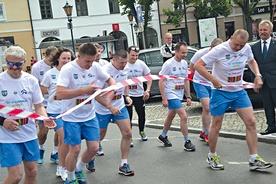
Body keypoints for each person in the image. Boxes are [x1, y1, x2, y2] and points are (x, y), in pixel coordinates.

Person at [194, 29, 273, 171]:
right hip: (221, 92)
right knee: (216, 126)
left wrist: (258, 74)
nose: (238, 48)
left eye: (241, 46)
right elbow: (198, 65)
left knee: (251, 122)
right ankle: (212, 155)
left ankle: (254, 158)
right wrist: (213, 79)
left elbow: (251, 60)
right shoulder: (220, 49)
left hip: (238, 91)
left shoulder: (246, 48)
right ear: (231, 38)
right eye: (236, 45)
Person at [56, 43, 116, 184]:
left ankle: (79, 169)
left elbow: (109, 79)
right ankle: (70, 179)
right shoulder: (68, 69)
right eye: (87, 61)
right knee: (75, 149)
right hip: (71, 117)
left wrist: (112, 88)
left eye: (93, 60)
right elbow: (60, 94)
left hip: (89, 115)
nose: (90, 64)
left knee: (94, 148)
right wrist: (83, 90)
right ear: (78, 56)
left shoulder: (95, 66)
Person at [0, 46, 56, 184]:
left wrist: (44, 118)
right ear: (5, 62)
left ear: (24, 62)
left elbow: (39, 105)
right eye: (10, 63)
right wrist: (3, 121)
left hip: (28, 132)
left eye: (18, 64)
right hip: (7, 135)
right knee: (16, 176)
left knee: (32, 172)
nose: (14, 67)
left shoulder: (30, 80)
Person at [89, 49, 134, 176]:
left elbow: (124, 83)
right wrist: (109, 107)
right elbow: (95, 94)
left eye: (125, 62)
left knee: (127, 132)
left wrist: (126, 96)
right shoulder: (104, 72)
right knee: (99, 137)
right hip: (102, 108)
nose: (123, 65)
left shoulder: (126, 68)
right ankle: (90, 157)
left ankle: (124, 164)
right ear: (113, 60)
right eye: (121, 63)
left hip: (119, 105)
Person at [41, 47, 74, 181]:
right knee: (65, 137)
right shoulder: (50, 74)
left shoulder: (72, 73)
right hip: (55, 112)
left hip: (69, 111)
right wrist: (41, 109)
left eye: (69, 58)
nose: (66, 61)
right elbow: (41, 92)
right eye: (64, 58)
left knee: (63, 141)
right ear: (58, 59)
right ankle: (63, 167)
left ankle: (61, 167)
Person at [157, 42, 196, 152]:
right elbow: (161, 80)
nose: (185, 55)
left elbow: (186, 80)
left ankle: (163, 135)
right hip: (171, 93)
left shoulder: (184, 63)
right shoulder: (169, 64)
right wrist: (164, 98)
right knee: (183, 116)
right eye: (183, 52)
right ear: (176, 51)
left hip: (179, 93)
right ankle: (187, 141)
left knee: (171, 115)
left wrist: (188, 96)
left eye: (186, 53)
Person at [189, 38, 223, 144]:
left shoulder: (221, 55)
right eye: (215, 49)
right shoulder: (200, 53)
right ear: (211, 47)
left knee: (210, 108)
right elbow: (192, 66)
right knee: (207, 107)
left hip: (212, 83)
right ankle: (208, 132)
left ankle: (204, 131)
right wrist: (199, 76)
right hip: (200, 82)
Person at [31, 46, 59, 164]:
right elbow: (35, 86)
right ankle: (41, 147)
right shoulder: (37, 67)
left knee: (59, 130)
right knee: (44, 131)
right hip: (43, 103)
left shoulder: (58, 66)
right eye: (52, 57)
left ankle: (56, 152)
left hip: (57, 102)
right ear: (45, 56)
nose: (54, 60)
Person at [251, 20, 276, 135]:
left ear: (270, 31)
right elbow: (252, 64)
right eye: (260, 30)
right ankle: (271, 126)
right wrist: (254, 81)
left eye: (265, 30)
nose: (262, 32)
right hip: (263, 81)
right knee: (267, 105)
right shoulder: (254, 47)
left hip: (275, 79)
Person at [126, 45, 152, 144]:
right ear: (128, 54)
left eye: (137, 55)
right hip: (128, 94)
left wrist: (147, 90)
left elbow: (149, 76)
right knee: (128, 116)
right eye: (133, 55)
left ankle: (141, 130)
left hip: (139, 94)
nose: (135, 58)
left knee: (142, 114)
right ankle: (129, 136)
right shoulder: (124, 64)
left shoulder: (141, 64)